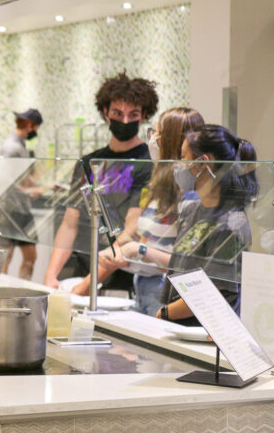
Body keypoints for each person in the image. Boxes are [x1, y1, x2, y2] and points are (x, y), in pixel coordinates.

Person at [116, 125, 257, 326]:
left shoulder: (231, 223)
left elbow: (212, 292)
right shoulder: (191, 210)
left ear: (203, 163)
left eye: (183, 157)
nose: (179, 165)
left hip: (204, 330)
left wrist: (163, 313)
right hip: (176, 324)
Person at [71, 107, 205, 316]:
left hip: (168, 295)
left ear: (172, 141)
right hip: (143, 290)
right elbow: (138, 235)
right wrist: (115, 252)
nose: (152, 138)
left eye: (157, 133)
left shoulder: (191, 197)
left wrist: (139, 251)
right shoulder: (160, 186)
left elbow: (189, 267)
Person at [43, 72, 158, 293]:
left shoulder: (148, 162)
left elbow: (132, 228)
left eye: (132, 114)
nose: (124, 121)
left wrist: (89, 282)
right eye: (117, 113)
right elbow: (69, 224)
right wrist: (50, 275)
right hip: (83, 267)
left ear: (143, 116)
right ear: (106, 113)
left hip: (123, 274)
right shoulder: (88, 162)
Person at [0, 108, 43, 279]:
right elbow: (5, 181)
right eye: (37, 128)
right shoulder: (11, 148)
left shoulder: (21, 146)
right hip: (10, 209)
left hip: (22, 208)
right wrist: (29, 190)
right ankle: (1, 297)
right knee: (4, 258)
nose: (36, 132)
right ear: (30, 125)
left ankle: (23, 294)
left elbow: (22, 179)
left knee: (31, 256)